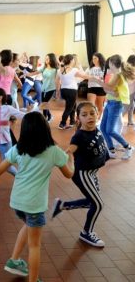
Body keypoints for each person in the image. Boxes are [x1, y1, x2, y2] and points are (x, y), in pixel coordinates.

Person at [0, 111, 74, 282]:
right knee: (35, 245)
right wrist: (71, 160)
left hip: (17, 203)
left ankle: (15, 260)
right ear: (45, 129)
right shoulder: (54, 152)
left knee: (28, 225)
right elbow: (69, 175)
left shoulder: (18, 149)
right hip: (35, 205)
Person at [51, 102, 108, 247]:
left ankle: (62, 205)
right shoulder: (79, 137)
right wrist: (67, 158)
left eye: (92, 113)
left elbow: (101, 144)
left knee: (91, 202)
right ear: (78, 118)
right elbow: (69, 151)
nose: (89, 117)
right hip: (83, 174)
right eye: (84, 115)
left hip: (93, 172)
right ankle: (86, 233)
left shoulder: (96, 129)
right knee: (98, 204)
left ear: (97, 114)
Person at [92, 54, 134, 159]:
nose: (108, 65)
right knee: (103, 128)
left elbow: (108, 87)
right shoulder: (116, 74)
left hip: (115, 105)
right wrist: (110, 90)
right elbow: (110, 89)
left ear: (112, 63)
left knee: (110, 130)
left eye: (109, 63)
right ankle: (111, 150)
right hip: (110, 103)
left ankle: (128, 147)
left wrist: (97, 80)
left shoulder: (118, 75)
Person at [55, 54, 91, 130]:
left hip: (64, 91)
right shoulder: (74, 70)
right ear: (71, 61)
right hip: (71, 91)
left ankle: (72, 121)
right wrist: (94, 77)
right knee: (69, 108)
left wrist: (57, 91)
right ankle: (62, 123)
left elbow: (57, 81)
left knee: (73, 106)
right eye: (73, 60)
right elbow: (84, 76)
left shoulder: (60, 70)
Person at [27, 53, 58, 122]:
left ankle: (44, 118)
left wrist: (58, 91)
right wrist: (27, 74)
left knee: (44, 103)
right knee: (45, 103)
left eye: (48, 58)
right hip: (43, 87)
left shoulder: (55, 70)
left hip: (51, 88)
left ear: (52, 59)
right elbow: (36, 72)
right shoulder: (44, 67)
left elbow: (58, 80)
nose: (46, 60)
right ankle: (49, 116)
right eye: (45, 58)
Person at [85, 53, 106, 119]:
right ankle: (92, 119)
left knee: (100, 106)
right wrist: (91, 77)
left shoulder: (104, 68)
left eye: (95, 58)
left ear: (100, 59)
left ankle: (98, 120)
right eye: (93, 58)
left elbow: (106, 78)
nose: (93, 60)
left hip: (101, 88)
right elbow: (85, 76)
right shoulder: (90, 68)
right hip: (91, 88)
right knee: (91, 105)